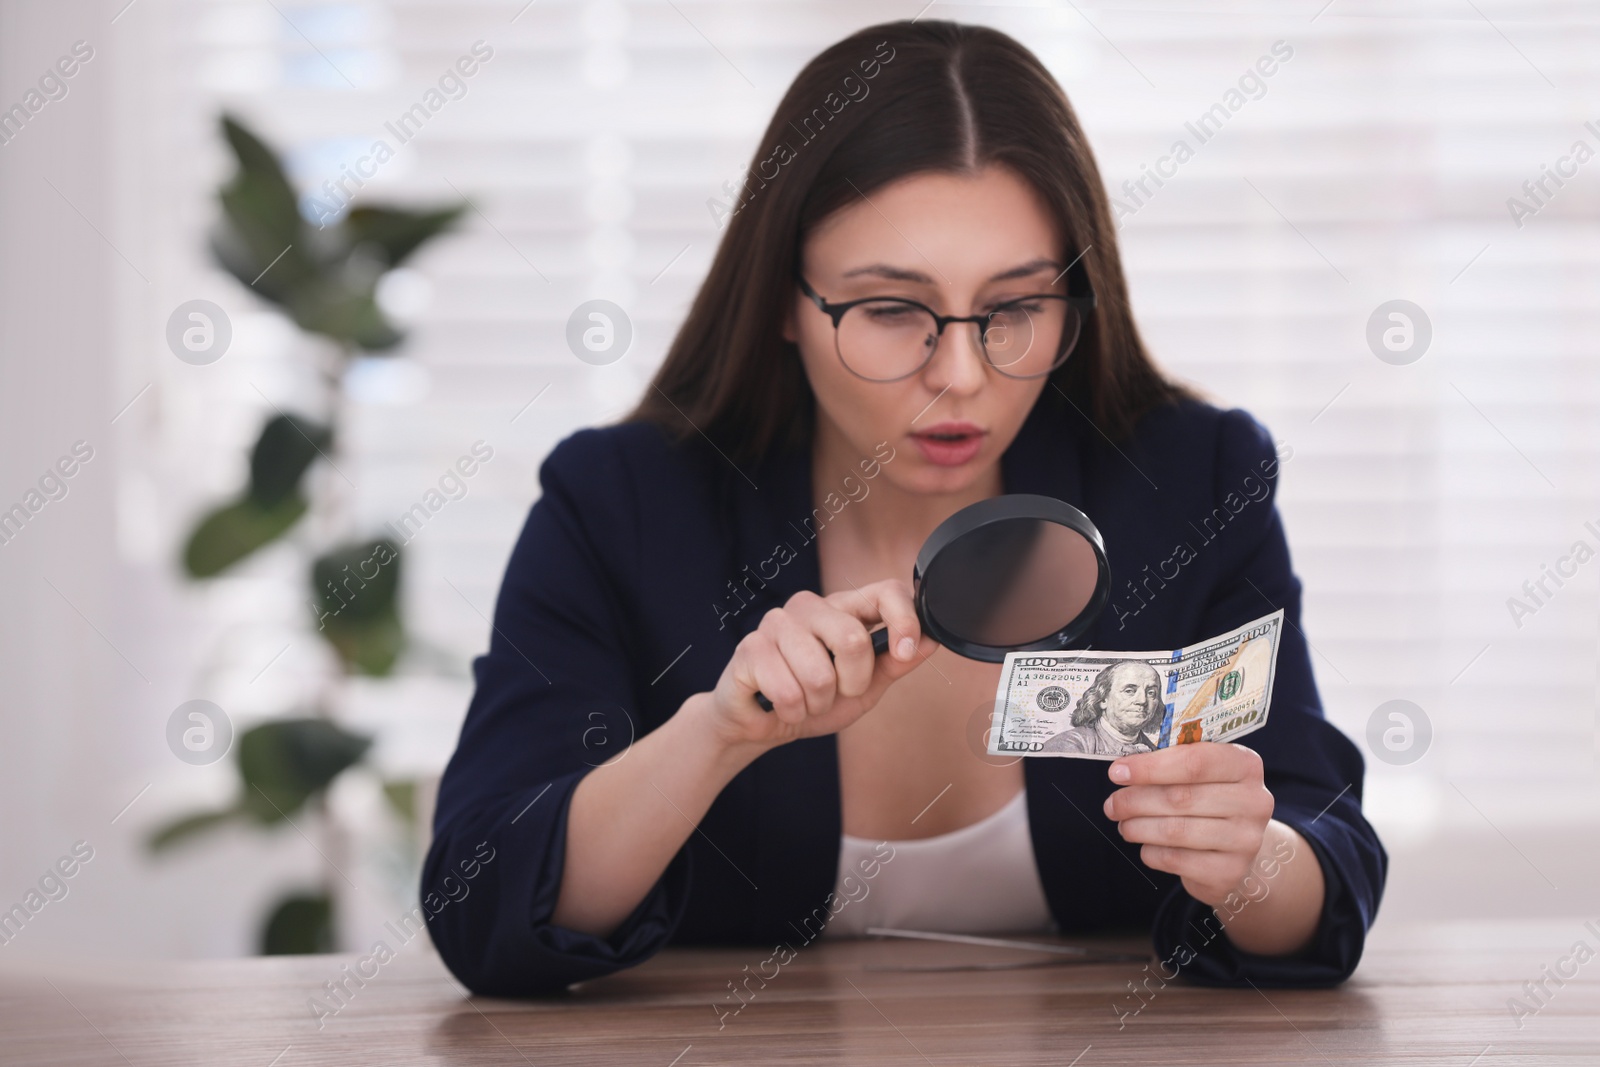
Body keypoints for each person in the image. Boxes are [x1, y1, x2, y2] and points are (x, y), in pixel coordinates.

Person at [423, 19, 1386, 997]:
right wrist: (715, 731)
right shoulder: (620, 503)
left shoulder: (1192, 480)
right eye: (889, 310)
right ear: (782, 306)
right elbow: (482, 901)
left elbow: (1325, 874)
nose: (960, 375)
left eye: (1014, 306)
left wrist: (1248, 859)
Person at [1040, 661, 1164, 756]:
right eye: (1129, 691)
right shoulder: (1069, 744)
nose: (1142, 700)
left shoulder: (1156, 752)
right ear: (1103, 699)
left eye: (1151, 693)